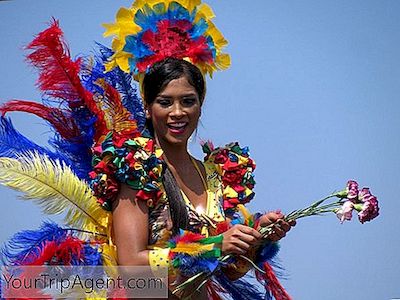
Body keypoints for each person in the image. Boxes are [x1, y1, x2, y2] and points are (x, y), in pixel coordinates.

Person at [107, 57, 295, 298]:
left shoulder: (216, 176)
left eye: (188, 101)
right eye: (165, 102)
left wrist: (256, 237)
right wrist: (214, 246)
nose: (177, 112)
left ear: (200, 105)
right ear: (147, 107)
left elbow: (228, 272)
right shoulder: (138, 169)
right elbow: (132, 264)